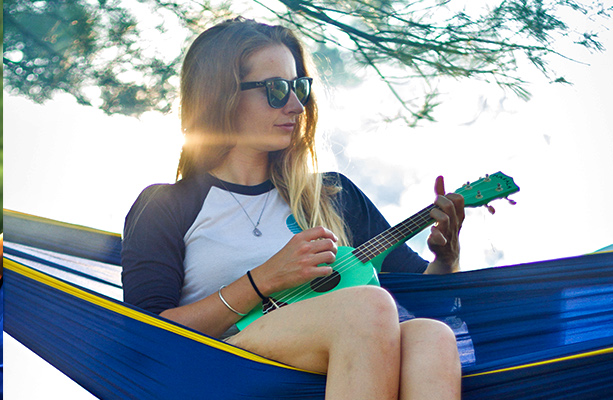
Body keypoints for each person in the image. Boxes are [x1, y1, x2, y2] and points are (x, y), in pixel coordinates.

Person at [121, 18, 462, 399]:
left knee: (432, 336)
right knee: (366, 307)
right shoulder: (167, 205)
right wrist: (263, 279)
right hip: (219, 370)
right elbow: (146, 335)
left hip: (340, 370)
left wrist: (446, 258)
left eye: (300, 87)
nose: (297, 105)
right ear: (221, 96)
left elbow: (431, 300)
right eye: (276, 89)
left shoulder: (331, 195)